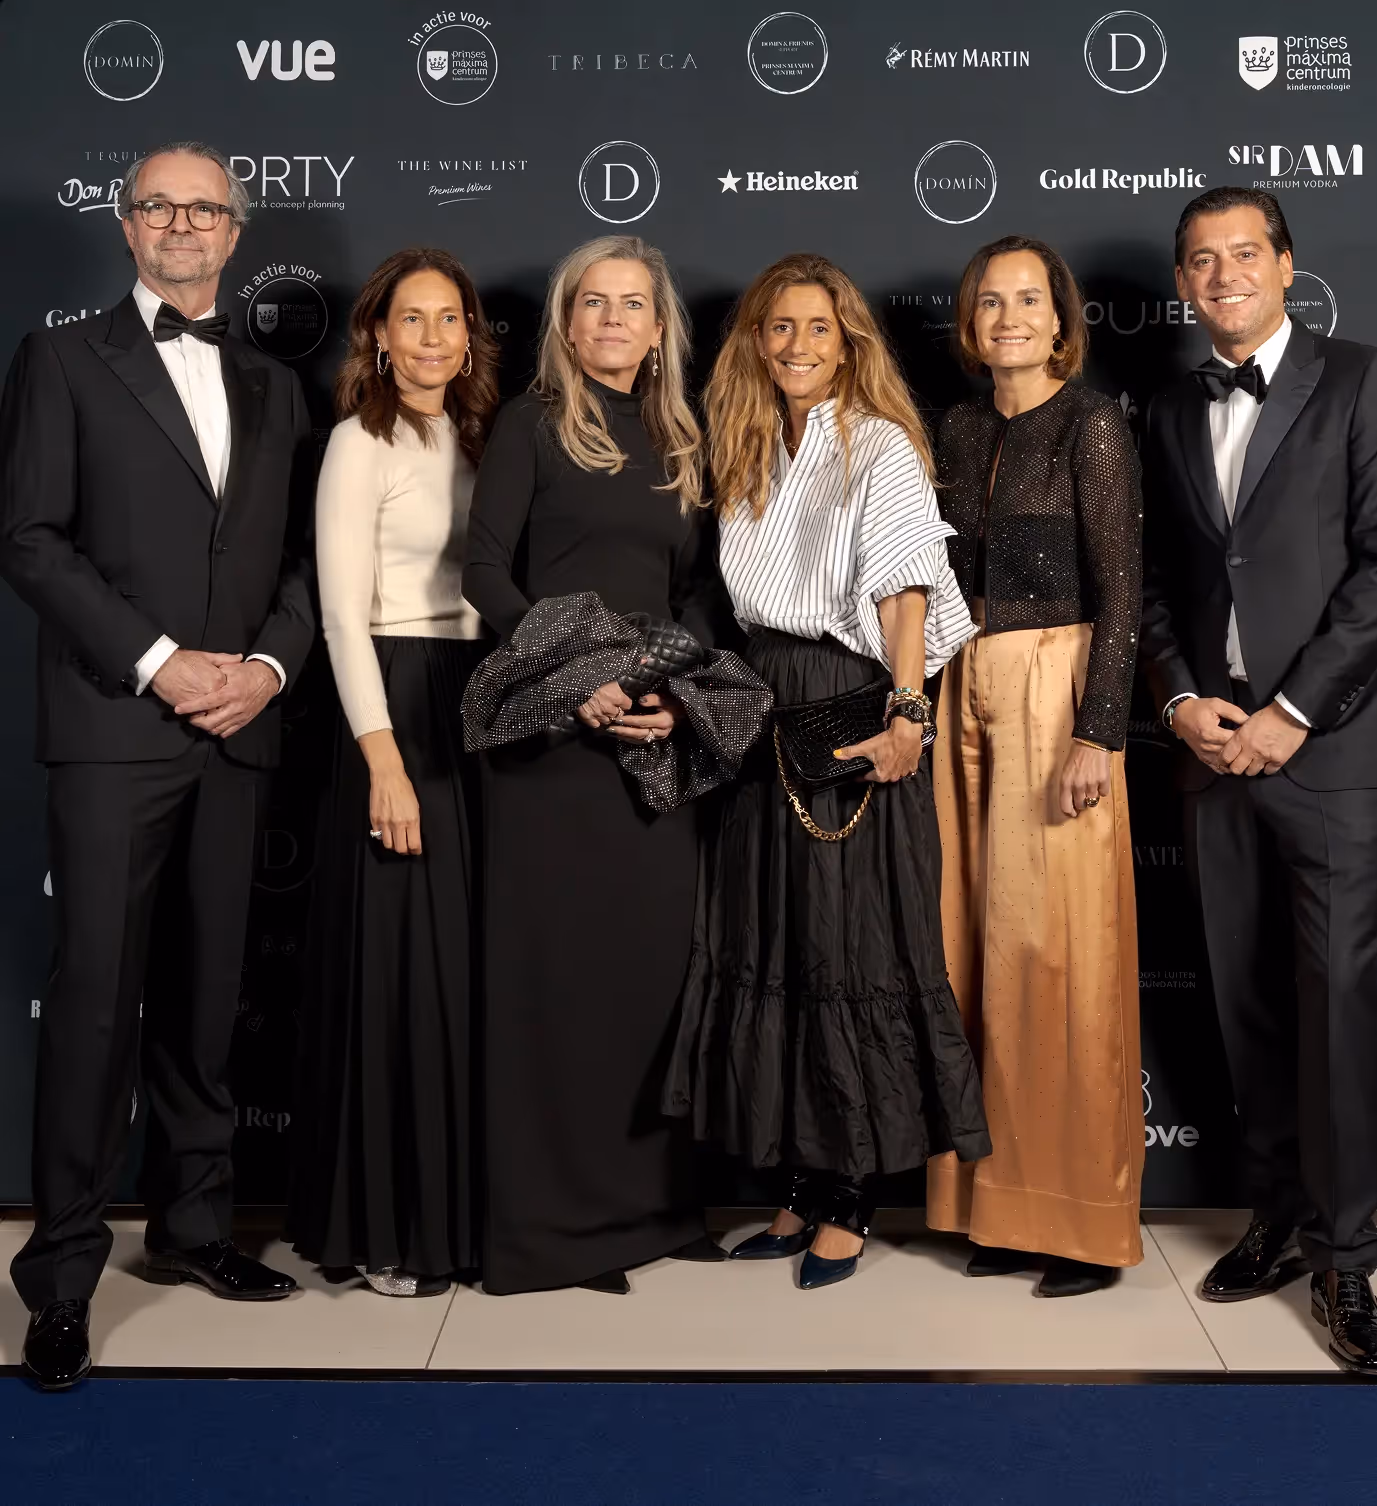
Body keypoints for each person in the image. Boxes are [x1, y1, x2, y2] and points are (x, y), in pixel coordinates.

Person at [0, 141, 315, 1389]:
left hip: (238, 730)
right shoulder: (62, 359)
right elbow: (29, 539)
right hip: (115, 728)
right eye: (159, 207)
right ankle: (62, 1279)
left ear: (235, 232)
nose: (183, 225)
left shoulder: (276, 383)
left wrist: (267, 670)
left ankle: (193, 1228)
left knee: (207, 998)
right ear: (126, 228)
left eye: (205, 208)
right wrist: (160, 662)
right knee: (94, 1004)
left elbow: (301, 561)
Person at [1140, 187, 1377, 1375]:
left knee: (1337, 1000)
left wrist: (1293, 713)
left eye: (1244, 254)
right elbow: (1157, 583)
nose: (1225, 276)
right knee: (1247, 1000)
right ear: (1182, 283)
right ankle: (1275, 1211)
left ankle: (1346, 1258)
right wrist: (1179, 701)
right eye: (1202, 261)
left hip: (1333, 750)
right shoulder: (1168, 409)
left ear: (1286, 264)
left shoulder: (1366, 379)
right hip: (1214, 751)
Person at [665, 252, 989, 1290]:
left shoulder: (878, 441)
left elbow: (904, 583)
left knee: (852, 941)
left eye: (818, 327)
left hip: (850, 698)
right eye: (780, 327)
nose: (798, 345)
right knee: (780, 937)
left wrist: (908, 713)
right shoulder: (748, 442)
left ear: (848, 342)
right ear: (755, 344)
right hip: (764, 702)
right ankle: (801, 1183)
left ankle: (850, 1195)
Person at [462, 235, 722, 1295]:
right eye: (593, 303)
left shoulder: (682, 438)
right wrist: (574, 677)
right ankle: (553, 1229)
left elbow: (699, 590)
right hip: (552, 746)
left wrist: (668, 685)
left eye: (633, 305)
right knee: (556, 984)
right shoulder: (531, 425)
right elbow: (484, 569)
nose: (613, 320)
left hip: (652, 739)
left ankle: (652, 1210)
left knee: (648, 978)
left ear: (660, 329)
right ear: (567, 325)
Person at [924, 236, 1145, 1297]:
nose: (1009, 317)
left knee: (1060, 958)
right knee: (976, 945)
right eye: (990, 301)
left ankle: (1082, 1224)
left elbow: (1123, 589)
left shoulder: (1092, 423)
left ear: (1061, 319)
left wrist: (1098, 733)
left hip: (1055, 689)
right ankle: (997, 1206)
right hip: (960, 684)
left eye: (1028, 300)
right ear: (970, 323)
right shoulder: (959, 428)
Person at [287, 249, 499, 1297]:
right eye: (411, 319)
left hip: (482, 706)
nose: (431, 338)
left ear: (469, 335)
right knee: (397, 973)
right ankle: (386, 1226)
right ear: (378, 335)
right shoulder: (356, 443)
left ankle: (463, 1218)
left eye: (448, 318)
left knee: (461, 974)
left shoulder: (484, 438)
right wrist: (383, 759)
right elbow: (340, 616)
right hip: (395, 706)